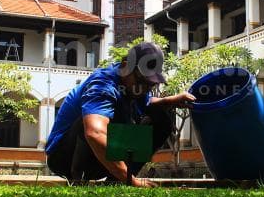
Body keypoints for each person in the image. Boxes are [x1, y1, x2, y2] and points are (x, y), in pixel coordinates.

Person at [45, 41, 195, 186]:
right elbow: (94, 133)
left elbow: (147, 104)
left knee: (161, 120)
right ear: (125, 66)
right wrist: (132, 181)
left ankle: (115, 180)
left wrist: (171, 101)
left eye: (150, 85)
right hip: (63, 158)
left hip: (101, 159)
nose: (144, 89)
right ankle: (78, 179)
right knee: (99, 118)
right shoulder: (102, 85)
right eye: (141, 81)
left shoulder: (133, 88)